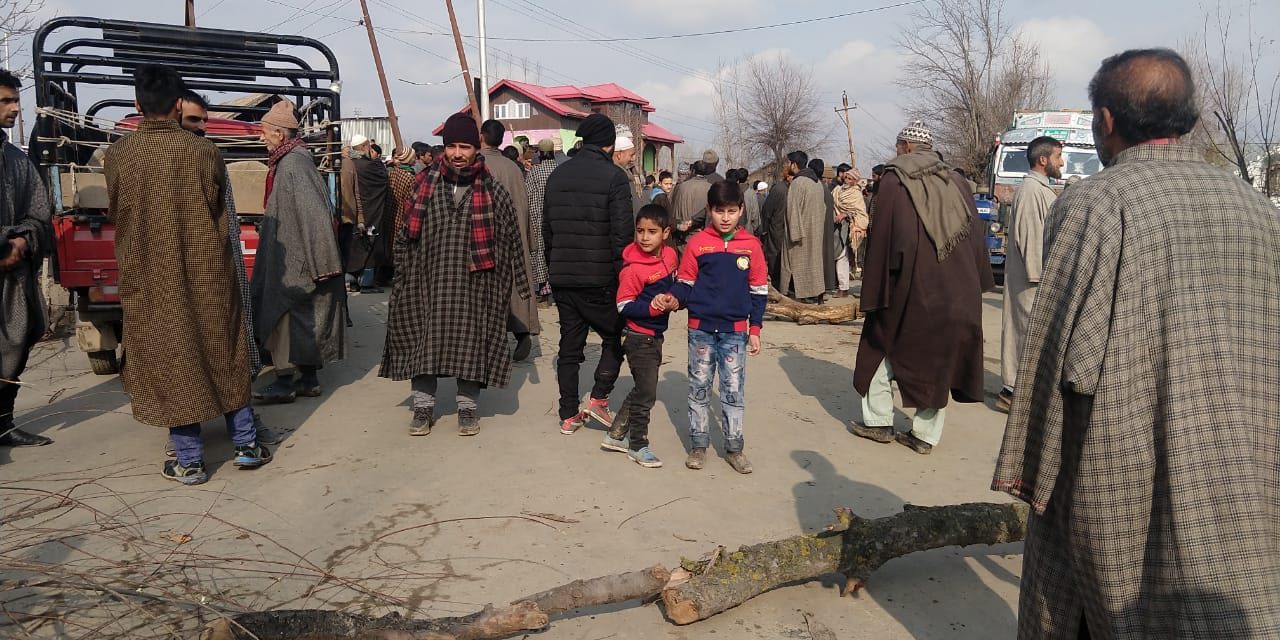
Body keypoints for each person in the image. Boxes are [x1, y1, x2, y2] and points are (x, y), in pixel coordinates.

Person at [993, 48, 1280, 640]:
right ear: (1190, 119)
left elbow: (1056, 351)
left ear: (1105, 121)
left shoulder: (1097, 203)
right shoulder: (1258, 212)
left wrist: (1028, 468)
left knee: (1102, 589)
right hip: (1241, 448)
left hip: (1122, 448)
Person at [104, 65, 271, 484]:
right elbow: (220, 210)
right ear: (179, 105)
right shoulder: (204, 152)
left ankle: (190, 460)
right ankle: (247, 445)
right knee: (225, 350)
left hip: (149, 275)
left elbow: (117, 212)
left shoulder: (119, 155)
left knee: (170, 358)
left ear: (137, 104)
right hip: (209, 273)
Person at [381, 112, 531, 437]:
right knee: (424, 340)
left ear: (477, 148)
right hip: (427, 281)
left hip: (477, 284)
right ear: (443, 147)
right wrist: (402, 276)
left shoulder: (493, 191)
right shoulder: (422, 186)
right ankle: (422, 407)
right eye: (452, 146)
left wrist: (516, 282)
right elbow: (404, 234)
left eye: (465, 146)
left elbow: (511, 239)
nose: (458, 153)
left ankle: (467, 408)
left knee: (471, 342)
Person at [849, 121, 992, 455]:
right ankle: (925, 436)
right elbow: (975, 238)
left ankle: (880, 421)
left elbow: (884, 240)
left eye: (899, 146)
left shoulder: (894, 179)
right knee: (938, 358)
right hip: (958, 287)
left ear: (907, 147)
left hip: (909, 286)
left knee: (879, 345)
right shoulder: (957, 180)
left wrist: (874, 289)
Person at [176, 90, 282, 446]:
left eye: (205, 120)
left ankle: (242, 431)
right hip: (177, 278)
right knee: (187, 355)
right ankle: (193, 444)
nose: (202, 129)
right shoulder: (156, 162)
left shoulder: (211, 157)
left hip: (220, 271)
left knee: (229, 350)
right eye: (194, 121)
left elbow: (226, 221)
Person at [250, 100, 348, 405]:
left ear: (279, 134)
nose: (261, 137)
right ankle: (308, 380)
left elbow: (313, 214)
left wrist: (322, 262)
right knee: (301, 320)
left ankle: (284, 381)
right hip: (296, 256)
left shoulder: (293, 164)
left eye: (265, 132)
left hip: (296, 261)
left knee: (281, 319)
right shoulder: (292, 161)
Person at [543, 113, 633, 434]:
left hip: (564, 276)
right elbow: (623, 236)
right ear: (609, 144)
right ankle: (598, 399)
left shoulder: (557, 176)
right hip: (601, 278)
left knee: (570, 345)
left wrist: (554, 267)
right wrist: (626, 277)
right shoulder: (615, 177)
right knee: (616, 336)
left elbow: (547, 230)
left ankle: (568, 414)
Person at [669, 180, 766, 474]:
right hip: (700, 329)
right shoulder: (698, 244)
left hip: (735, 332)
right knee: (698, 387)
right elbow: (685, 283)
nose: (725, 217)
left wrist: (755, 330)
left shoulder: (751, 246)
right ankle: (698, 444)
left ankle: (734, 448)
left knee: (733, 390)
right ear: (709, 210)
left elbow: (758, 290)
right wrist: (671, 299)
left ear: (741, 211)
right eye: (719, 210)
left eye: (732, 211)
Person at [601, 204, 679, 468]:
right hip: (638, 336)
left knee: (642, 388)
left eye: (652, 231)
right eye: (640, 231)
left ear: (666, 233)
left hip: (655, 336)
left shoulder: (670, 256)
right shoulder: (633, 269)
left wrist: (673, 298)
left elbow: (677, 283)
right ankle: (638, 444)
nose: (645, 237)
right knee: (647, 393)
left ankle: (615, 435)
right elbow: (623, 305)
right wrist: (652, 307)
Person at [0, 68, 54, 448]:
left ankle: (3, 424)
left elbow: (39, 210)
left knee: (15, 344)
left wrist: (22, 240)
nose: (15, 108)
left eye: (16, 100)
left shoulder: (17, 160)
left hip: (12, 276)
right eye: (5, 100)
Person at [995, 135, 1062, 413]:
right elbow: (1031, 237)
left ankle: (1017, 388)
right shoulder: (1031, 191)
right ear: (1043, 160)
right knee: (1024, 333)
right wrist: (1039, 275)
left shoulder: (1040, 190)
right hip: (1031, 279)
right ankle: (1012, 391)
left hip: (1036, 277)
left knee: (1028, 334)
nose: (1062, 162)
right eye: (1058, 157)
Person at [480, 119, 540, 362]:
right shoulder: (514, 168)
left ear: (482, 136)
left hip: (488, 235)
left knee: (488, 290)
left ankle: (489, 342)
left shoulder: (478, 165)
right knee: (517, 285)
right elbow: (524, 205)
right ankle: (522, 331)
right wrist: (529, 238)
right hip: (515, 235)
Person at [345, 133, 393, 292]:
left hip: (353, 211)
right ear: (365, 147)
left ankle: (352, 281)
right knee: (370, 244)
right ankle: (366, 283)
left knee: (354, 245)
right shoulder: (371, 166)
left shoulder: (348, 163)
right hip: (371, 211)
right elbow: (382, 178)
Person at [780, 151, 826, 303]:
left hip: (800, 233)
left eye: (789, 163)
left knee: (798, 265)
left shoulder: (797, 183)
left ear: (794, 164)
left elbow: (792, 211)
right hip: (815, 230)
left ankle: (801, 296)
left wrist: (794, 234)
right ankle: (816, 293)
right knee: (813, 264)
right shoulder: (817, 183)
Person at [524, 138, 556, 302]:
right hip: (557, 218)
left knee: (540, 254)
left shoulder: (534, 173)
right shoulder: (560, 170)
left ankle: (544, 289)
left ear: (541, 153)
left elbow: (527, 196)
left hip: (538, 217)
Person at [669, 150, 720, 246]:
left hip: (683, 235)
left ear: (693, 171)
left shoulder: (682, 186)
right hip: (705, 237)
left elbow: (675, 209)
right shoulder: (712, 187)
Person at [832, 166, 868, 289]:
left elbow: (860, 213)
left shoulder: (856, 195)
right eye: (846, 177)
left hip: (849, 229)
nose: (846, 180)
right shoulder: (837, 190)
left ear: (854, 181)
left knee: (843, 256)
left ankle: (843, 287)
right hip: (835, 227)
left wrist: (845, 214)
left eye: (850, 178)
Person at [759, 171, 788, 289]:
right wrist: (765, 228)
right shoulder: (780, 189)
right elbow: (767, 210)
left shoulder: (786, 188)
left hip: (781, 228)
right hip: (776, 228)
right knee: (775, 256)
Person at [388, 147, 417, 236]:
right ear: (408, 158)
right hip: (402, 216)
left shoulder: (392, 172)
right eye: (413, 157)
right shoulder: (410, 177)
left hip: (389, 212)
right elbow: (410, 201)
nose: (415, 160)